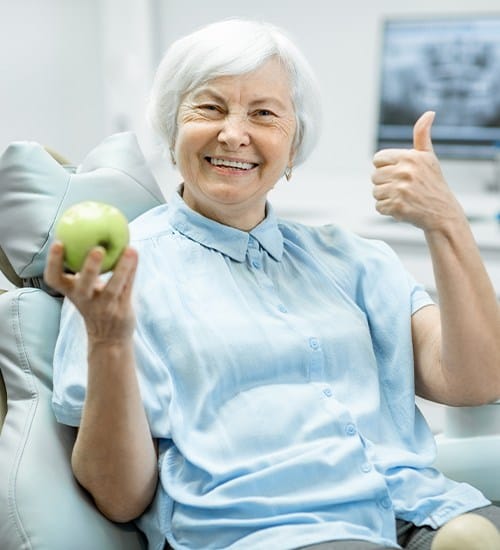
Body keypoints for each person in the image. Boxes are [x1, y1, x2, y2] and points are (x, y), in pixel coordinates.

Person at [44, 18, 500, 550]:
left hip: (417, 506)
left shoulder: (350, 258)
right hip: (274, 531)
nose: (234, 133)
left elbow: (476, 381)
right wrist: (108, 340)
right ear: (172, 130)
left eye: (263, 113)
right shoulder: (118, 280)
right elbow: (120, 498)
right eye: (209, 108)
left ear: (294, 143)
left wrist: (445, 222)